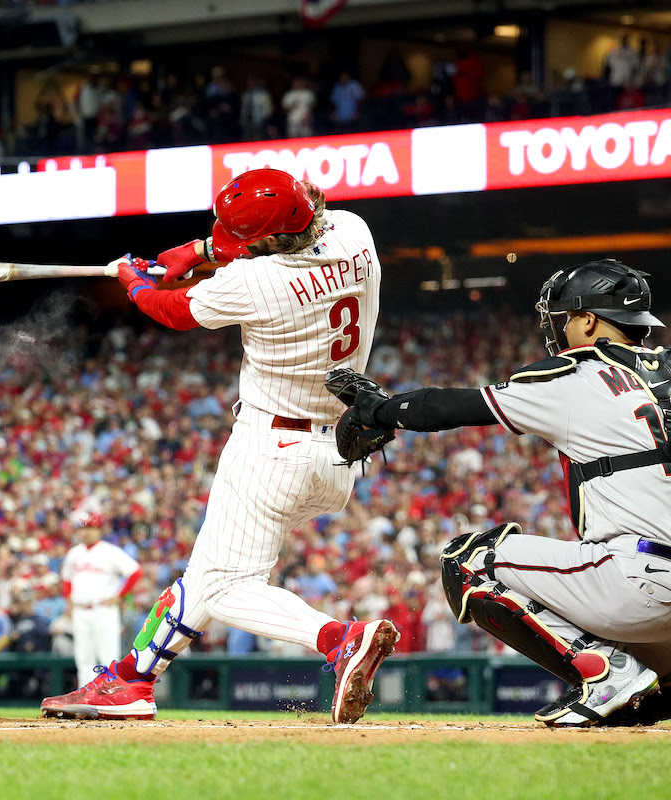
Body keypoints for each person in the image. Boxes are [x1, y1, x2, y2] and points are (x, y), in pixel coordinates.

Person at [41, 168, 398, 724]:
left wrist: (133, 279)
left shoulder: (256, 283)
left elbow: (172, 310)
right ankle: (133, 680)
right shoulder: (354, 230)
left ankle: (337, 638)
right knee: (208, 574)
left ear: (273, 240)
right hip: (338, 453)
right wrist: (198, 250)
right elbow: (266, 248)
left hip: (272, 447)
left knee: (226, 585)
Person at [327, 259, 671, 727]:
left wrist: (380, 409)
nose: (561, 327)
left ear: (588, 319)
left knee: (468, 561)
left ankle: (605, 673)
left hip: (641, 582)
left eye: (567, 317)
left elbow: (454, 406)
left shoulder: (579, 374)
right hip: (648, 590)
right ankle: (646, 694)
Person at [59, 513, 142, 686]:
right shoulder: (74, 553)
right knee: (83, 658)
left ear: (99, 530)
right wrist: (69, 602)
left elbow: (135, 572)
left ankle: (108, 696)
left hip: (103, 610)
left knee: (108, 656)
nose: (87, 532)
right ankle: (85, 697)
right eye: (84, 528)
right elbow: (66, 580)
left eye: (91, 528)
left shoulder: (110, 551)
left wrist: (119, 596)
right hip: (80, 610)